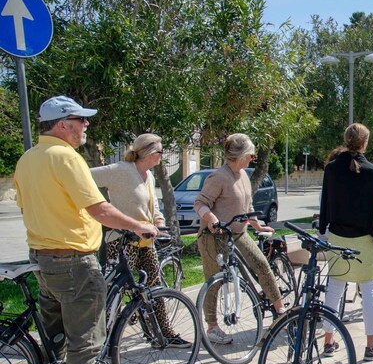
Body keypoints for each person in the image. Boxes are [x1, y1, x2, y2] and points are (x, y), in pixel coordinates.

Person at [14, 95, 157, 364]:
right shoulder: (66, 158)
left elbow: (26, 203)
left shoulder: (28, 158)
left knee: (54, 339)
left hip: (43, 259)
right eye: (81, 120)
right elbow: (100, 209)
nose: (86, 125)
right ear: (63, 124)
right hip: (74, 260)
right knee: (84, 344)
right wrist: (139, 227)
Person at [90, 133, 191, 348]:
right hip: (122, 241)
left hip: (146, 243)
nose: (162, 156)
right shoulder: (121, 171)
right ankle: (102, 339)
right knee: (114, 292)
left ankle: (163, 333)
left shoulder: (150, 176)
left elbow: (150, 208)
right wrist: (98, 208)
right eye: (161, 152)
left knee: (155, 289)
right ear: (149, 152)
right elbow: (84, 178)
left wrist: (160, 221)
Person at [194, 133, 285, 344]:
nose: (253, 158)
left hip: (239, 233)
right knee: (214, 281)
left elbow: (247, 205)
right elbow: (200, 203)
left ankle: (281, 311)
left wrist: (257, 224)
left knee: (261, 264)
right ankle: (212, 327)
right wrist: (210, 217)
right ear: (240, 155)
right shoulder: (219, 177)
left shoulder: (243, 175)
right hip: (214, 237)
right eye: (250, 155)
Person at [319, 123, 373, 361]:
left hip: (337, 237)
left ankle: (328, 341)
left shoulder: (331, 169)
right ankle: (371, 346)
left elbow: (325, 204)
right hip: (366, 240)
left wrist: (322, 232)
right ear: (365, 143)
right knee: (370, 290)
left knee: (334, 289)